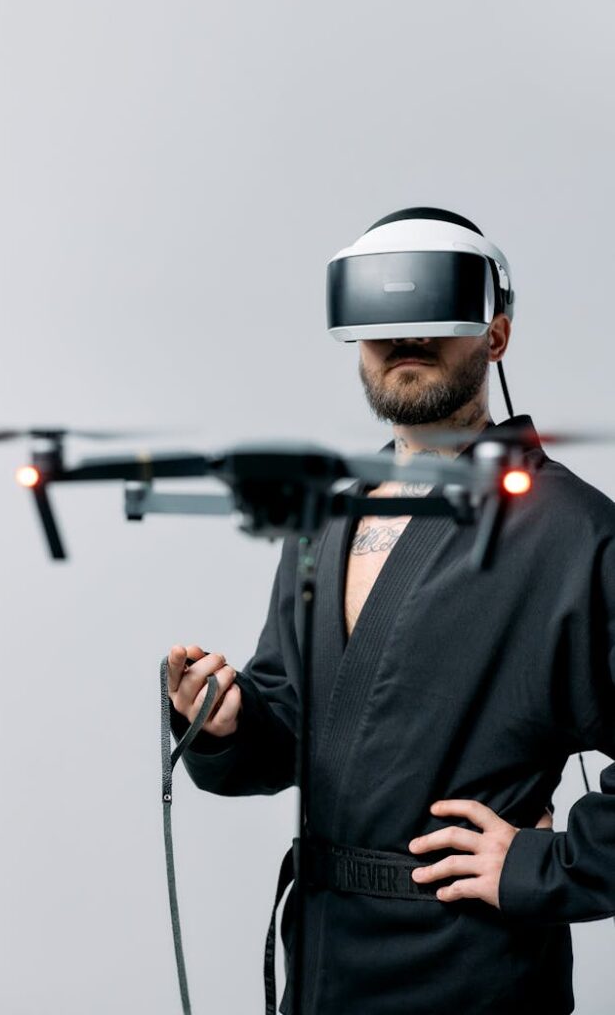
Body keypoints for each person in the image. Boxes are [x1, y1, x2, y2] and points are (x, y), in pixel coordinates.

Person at [165, 209, 615, 1014]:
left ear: (496, 334)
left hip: (471, 968)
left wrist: (538, 866)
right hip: (325, 961)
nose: (404, 341)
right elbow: (298, 728)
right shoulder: (328, 512)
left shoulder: (572, 533)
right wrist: (228, 724)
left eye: (429, 322)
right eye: (383, 326)